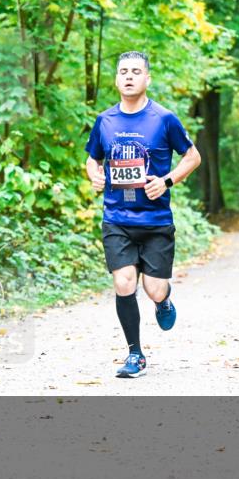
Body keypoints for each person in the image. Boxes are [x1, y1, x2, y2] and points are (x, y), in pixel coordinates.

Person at [85, 51, 201, 378]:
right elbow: (92, 159)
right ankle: (135, 354)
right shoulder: (105, 121)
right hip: (117, 219)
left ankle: (163, 301)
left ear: (147, 78)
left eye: (137, 71)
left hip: (155, 223)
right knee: (124, 282)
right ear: (117, 79)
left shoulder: (164, 119)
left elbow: (193, 158)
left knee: (154, 289)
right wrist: (94, 174)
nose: (129, 76)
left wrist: (166, 181)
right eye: (123, 71)